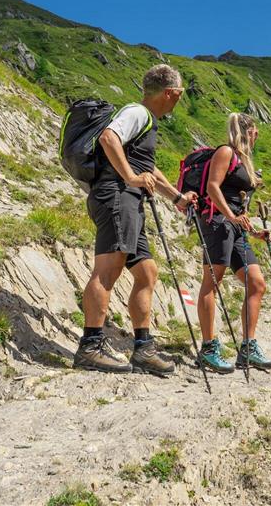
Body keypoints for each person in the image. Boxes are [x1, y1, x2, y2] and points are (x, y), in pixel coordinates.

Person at [73, 64, 197, 375]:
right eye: (180, 93)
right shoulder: (138, 112)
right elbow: (109, 138)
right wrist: (130, 177)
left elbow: (149, 169)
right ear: (170, 92)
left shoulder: (146, 121)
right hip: (117, 196)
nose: (180, 99)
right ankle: (90, 346)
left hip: (127, 200)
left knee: (147, 272)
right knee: (108, 269)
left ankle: (143, 348)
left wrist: (177, 198)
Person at [195, 113, 271, 373]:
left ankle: (248, 347)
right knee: (212, 282)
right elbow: (212, 187)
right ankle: (209, 348)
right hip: (217, 223)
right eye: (254, 131)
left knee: (257, 284)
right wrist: (230, 216)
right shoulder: (226, 152)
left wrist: (254, 232)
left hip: (236, 227)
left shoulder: (244, 160)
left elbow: (240, 203)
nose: (257, 135)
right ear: (245, 131)